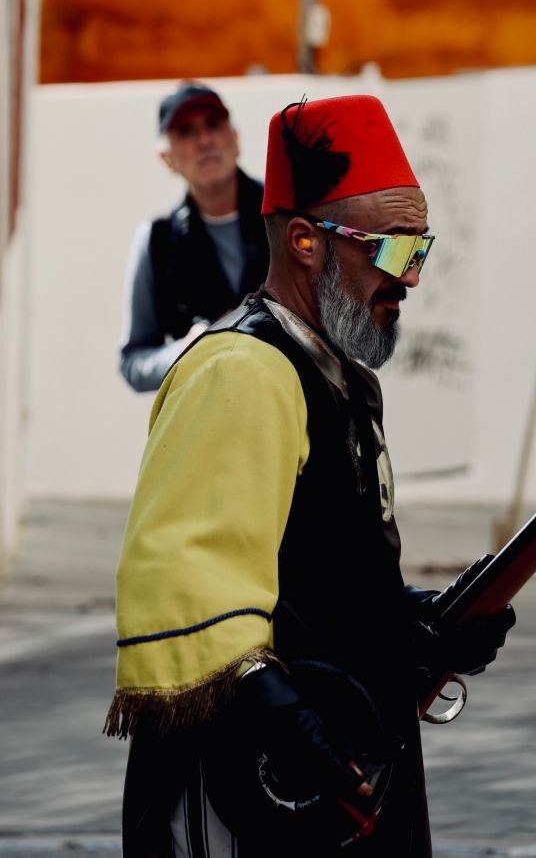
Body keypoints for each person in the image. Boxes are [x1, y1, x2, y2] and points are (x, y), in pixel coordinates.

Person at [106, 94, 515, 858]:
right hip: (256, 784)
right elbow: (181, 578)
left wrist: (416, 626)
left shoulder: (345, 380)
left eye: (419, 252)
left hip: (342, 761)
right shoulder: (240, 368)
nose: (408, 279)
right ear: (303, 240)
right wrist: (282, 717)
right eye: (391, 251)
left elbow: (320, 574)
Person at [118, 81, 269, 392]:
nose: (204, 140)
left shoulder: (286, 214)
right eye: (185, 131)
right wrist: (187, 349)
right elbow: (133, 362)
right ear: (166, 158)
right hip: (211, 415)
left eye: (213, 124)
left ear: (235, 139)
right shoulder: (157, 240)